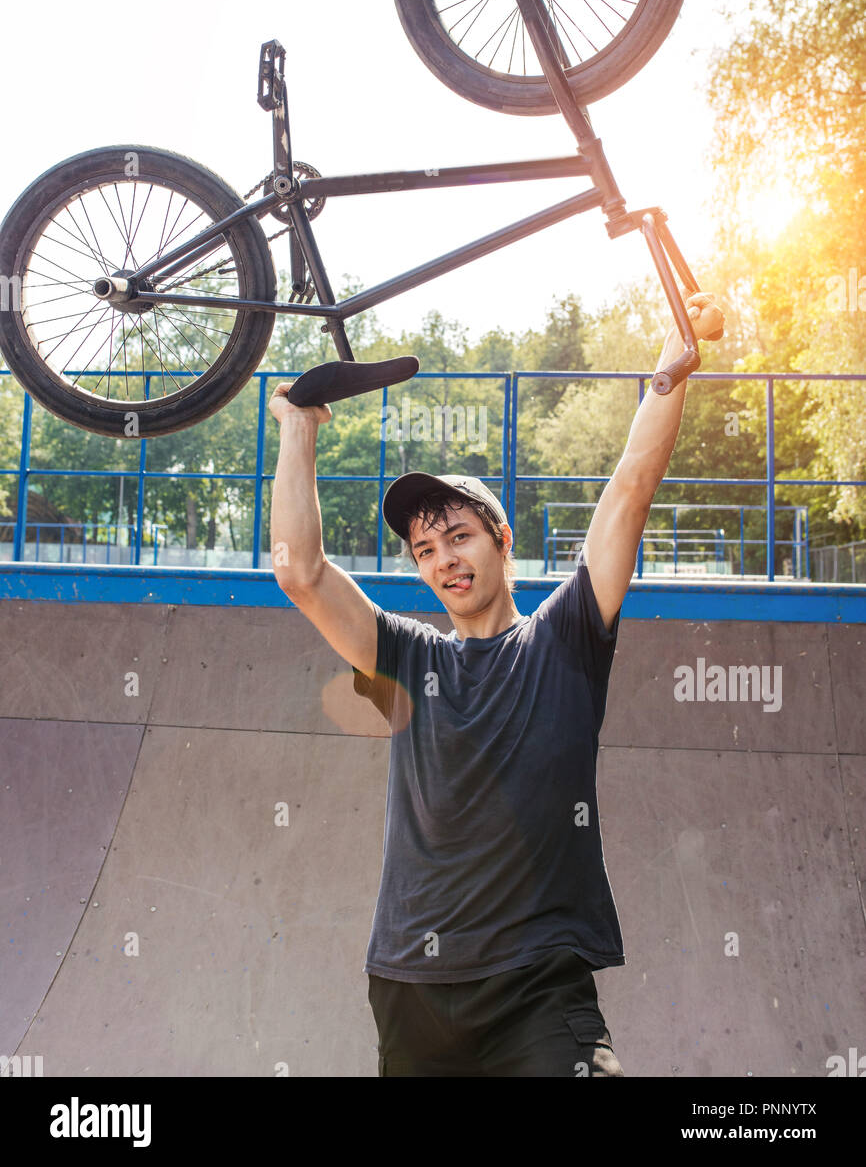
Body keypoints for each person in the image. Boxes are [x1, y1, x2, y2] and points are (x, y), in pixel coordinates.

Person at [269, 292, 724, 1077]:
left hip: (537, 992)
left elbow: (628, 494)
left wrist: (667, 377)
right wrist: (297, 431)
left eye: (458, 535)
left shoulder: (564, 638)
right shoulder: (407, 659)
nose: (443, 558)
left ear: (500, 539)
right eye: (424, 549)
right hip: (412, 987)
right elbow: (301, 573)